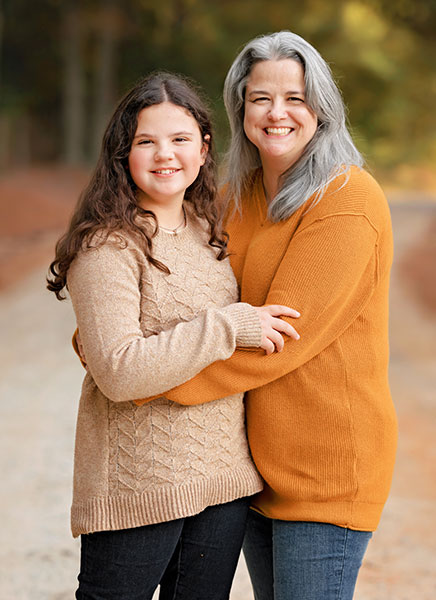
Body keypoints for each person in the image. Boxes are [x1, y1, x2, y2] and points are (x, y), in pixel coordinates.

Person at [131, 32, 398, 600]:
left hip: (325, 471)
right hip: (253, 467)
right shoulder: (236, 195)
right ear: (240, 108)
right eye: (260, 99)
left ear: (321, 107)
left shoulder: (347, 197)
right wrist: (116, 333)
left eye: (295, 97)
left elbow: (279, 338)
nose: (277, 113)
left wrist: (144, 380)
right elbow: (187, 291)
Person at [46, 72, 300, 600]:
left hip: (224, 481)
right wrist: (230, 325)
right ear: (123, 153)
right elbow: (119, 371)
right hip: (138, 485)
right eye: (146, 141)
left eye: (181, 139)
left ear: (205, 150)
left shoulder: (210, 231)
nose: (166, 155)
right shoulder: (107, 245)